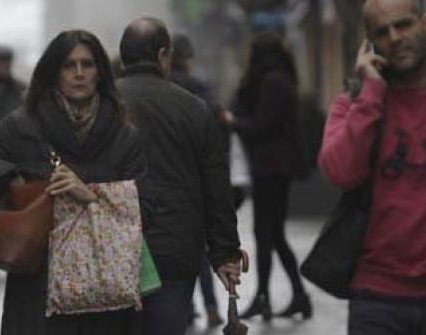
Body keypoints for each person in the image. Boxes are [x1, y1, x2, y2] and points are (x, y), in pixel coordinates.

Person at [0, 29, 146, 335]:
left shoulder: (124, 134)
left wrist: (88, 192)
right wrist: (10, 178)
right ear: (54, 73)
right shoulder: (25, 125)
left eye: (87, 64)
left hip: (106, 290)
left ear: (100, 73)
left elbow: (146, 204)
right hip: (38, 289)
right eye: (68, 65)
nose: (79, 73)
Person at [318, 0, 426, 333]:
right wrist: (371, 94)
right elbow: (340, 172)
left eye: (404, 25)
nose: (395, 37)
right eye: (382, 32)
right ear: (369, 44)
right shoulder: (353, 103)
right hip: (376, 299)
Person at [116, 18, 243, 335]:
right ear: (163, 55)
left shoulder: (102, 103)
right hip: (176, 249)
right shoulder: (195, 109)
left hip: (113, 245)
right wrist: (225, 252)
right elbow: (215, 186)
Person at [220, 31, 312, 321]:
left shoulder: (274, 81)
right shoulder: (280, 78)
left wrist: (233, 121)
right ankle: (293, 296)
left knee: (267, 235)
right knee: (273, 236)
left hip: (272, 169)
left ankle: (267, 297)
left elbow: (262, 125)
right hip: (272, 169)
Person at [167, 33, 226, 328]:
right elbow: (218, 120)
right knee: (199, 250)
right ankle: (212, 306)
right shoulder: (199, 88)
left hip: (165, 180)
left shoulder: (160, 89)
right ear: (187, 57)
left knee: (174, 250)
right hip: (195, 179)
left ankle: (187, 308)